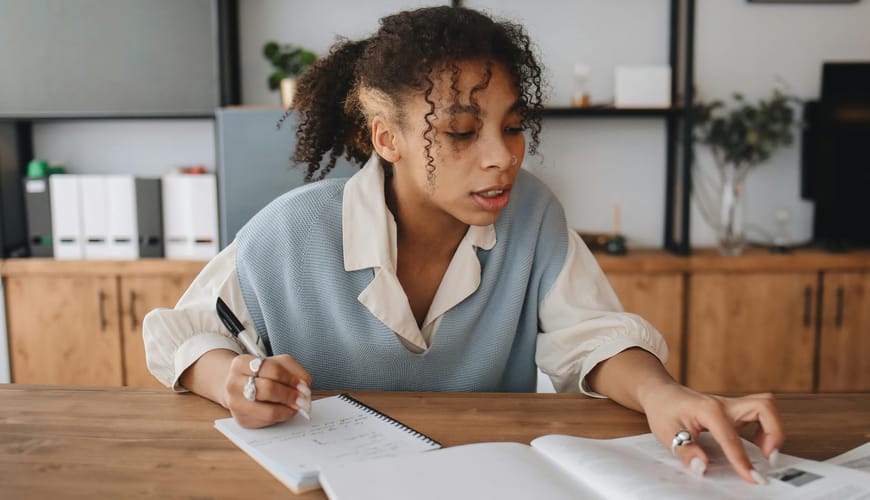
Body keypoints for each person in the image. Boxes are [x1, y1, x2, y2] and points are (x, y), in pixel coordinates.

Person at [143, 6, 782, 485]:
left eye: (512, 127)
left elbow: (593, 334)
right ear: (385, 139)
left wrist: (662, 395)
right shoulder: (290, 231)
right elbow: (181, 333)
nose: (501, 157)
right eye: (460, 131)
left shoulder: (532, 215)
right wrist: (231, 379)